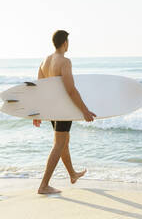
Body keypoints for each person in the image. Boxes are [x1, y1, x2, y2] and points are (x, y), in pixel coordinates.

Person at [33, 30, 96, 194]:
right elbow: (70, 90)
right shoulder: (65, 61)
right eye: (68, 41)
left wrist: (38, 113)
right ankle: (44, 185)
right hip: (63, 109)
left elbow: (40, 90)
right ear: (65, 43)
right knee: (59, 144)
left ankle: (72, 174)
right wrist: (84, 110)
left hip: (52, 109)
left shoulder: (44, 62)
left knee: (63, 142)